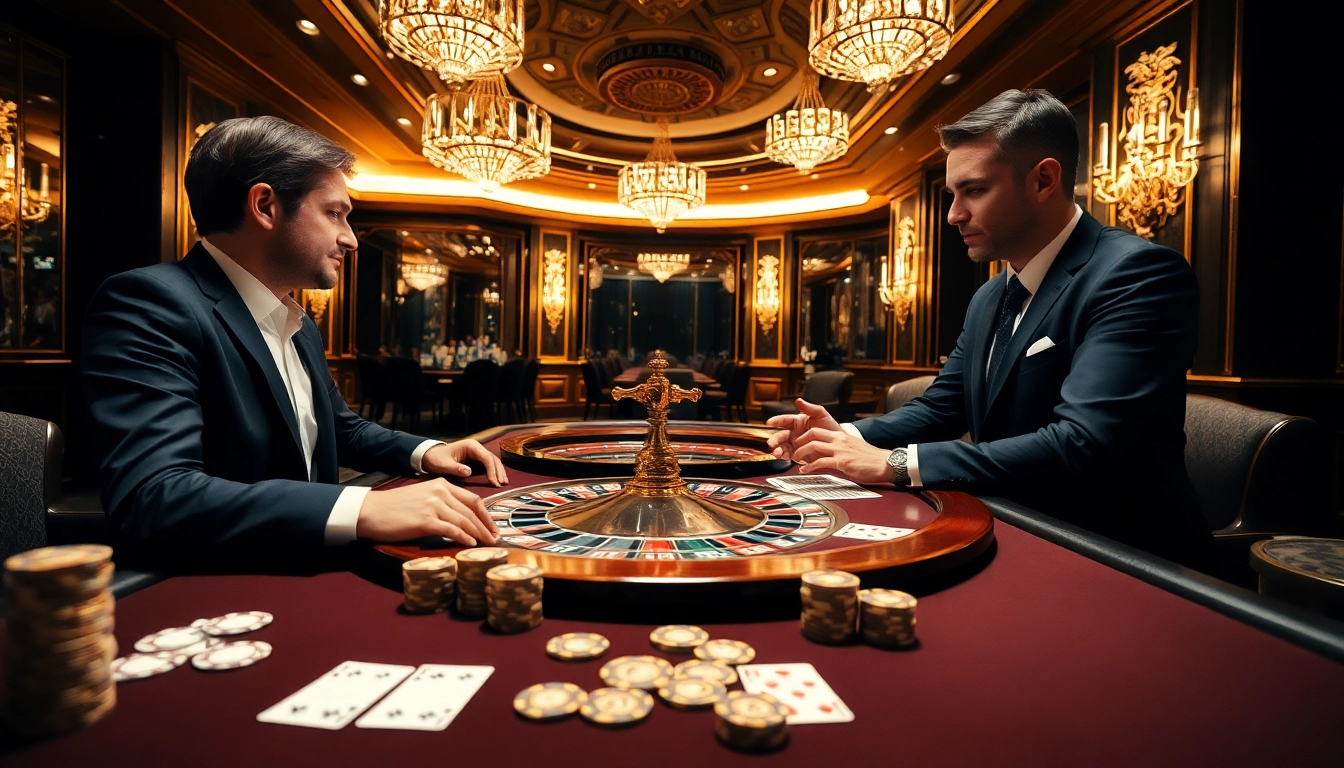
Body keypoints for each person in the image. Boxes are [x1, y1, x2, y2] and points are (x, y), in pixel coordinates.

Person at [767, 89, 1213, 569]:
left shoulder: (1138, 274)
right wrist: (841, 435)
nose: (953, 214)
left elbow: (1081, 442)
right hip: (1009, 521)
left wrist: (895, 464)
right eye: (952, 195)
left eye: (974, 191)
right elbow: (943, 408)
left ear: (1043, 180)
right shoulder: (989, 295)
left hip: (1119, 554)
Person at [83, 116, 506, 568]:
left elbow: (340, 428)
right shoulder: (150, 303)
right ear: (265, 206)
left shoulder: (298, 322)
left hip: (308, 564)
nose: (351, 239)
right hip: (219, 581)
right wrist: (363, 507)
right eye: (334, 213)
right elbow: (154, 496)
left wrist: (427, 451)